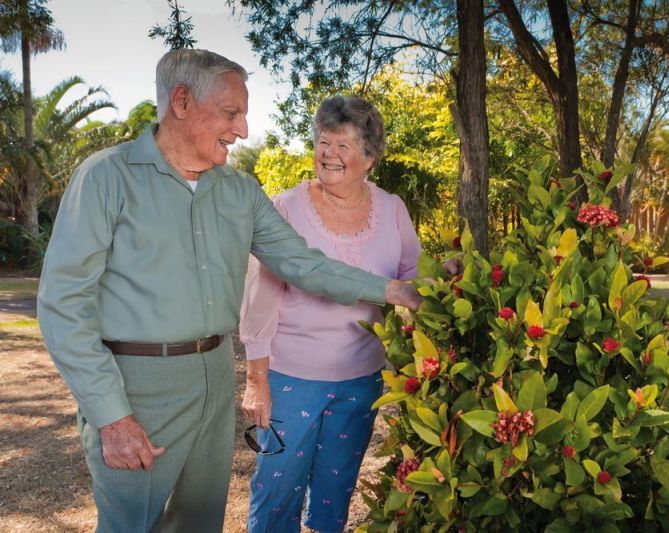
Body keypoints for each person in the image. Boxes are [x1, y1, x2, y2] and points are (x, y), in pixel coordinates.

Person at [36, 50, 420, 533]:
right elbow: (62, 306)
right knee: (130, 524)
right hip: (135, 382)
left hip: (215, 373)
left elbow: (304, 264)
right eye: (231, 112)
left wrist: (392, 290)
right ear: (181, 102)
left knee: (199, 523)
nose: (242, 129)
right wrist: (111, 416)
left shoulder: (240, 191)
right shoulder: (105, 177)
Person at [239, 95, 422, 532]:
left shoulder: (392, 208)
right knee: (276, 493)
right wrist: (256, 381)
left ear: (370, 158)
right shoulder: (286, 207)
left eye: (344, 145)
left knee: (333, 496)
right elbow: (259, 298)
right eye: (324, 142)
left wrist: (448, 277)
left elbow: (416, 278)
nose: (329, 155)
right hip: (291, 380)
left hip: (361, 380)